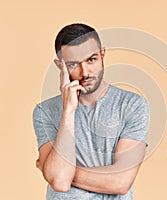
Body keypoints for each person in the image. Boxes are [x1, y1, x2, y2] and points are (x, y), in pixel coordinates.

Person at [33, 23, 150, 199]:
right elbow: (58, 181)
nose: (85, 72)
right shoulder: (45, 111)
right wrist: (68, 110)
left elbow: (121, 182)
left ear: (103, 55)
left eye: (91, 60)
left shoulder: (132, 105)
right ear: (60, 66)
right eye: (73, 64)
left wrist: (64, 171)